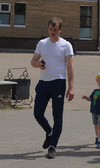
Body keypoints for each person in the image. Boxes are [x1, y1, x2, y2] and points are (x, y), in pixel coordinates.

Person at [31, 17, 75, 159]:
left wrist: (71, 87)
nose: (53, 32)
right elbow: (33, 60)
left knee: (57, 116)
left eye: (55, 29)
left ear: (60, 30)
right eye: (51, 29)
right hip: (44, 82)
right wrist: (38, 64)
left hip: (58, 83)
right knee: (38, 113)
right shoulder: (42, 43)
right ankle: (49, 132)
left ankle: (52, 147)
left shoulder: (66, 45)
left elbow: (70, 66)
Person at [80, 73, 100, 150]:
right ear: (97, 82)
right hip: (94, 111)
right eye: (99, 81)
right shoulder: (95, 91)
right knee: (96, 125)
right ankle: (96, 137)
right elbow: (91, 99)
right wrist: (86, 98)